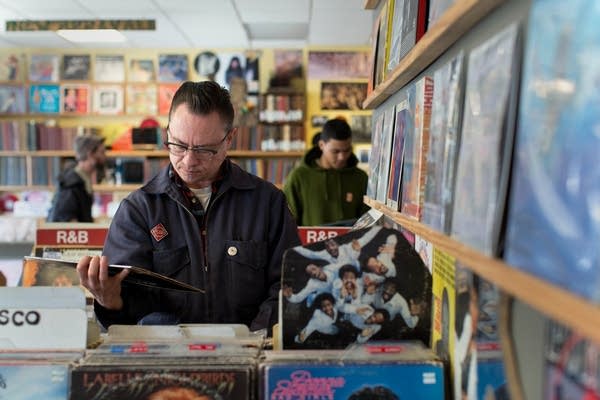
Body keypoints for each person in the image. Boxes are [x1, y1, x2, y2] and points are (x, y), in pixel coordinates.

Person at [76, 81, 300, 335]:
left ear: (229, 140)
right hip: (166, 359)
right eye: (179, 145)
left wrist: (251, 340)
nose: (189, 161)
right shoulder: (138, 210)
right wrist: (110, 302)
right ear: (168, 132)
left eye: (205, 150)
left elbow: (287, 286)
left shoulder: (268, 203)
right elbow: (125, 321)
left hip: (252, 353)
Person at [283, 118, 369, 226]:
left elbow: (368, 220)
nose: (342, 157)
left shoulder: (360, 177)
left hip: (353, 242)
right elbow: (287, 222)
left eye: (347, 150)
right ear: (321, 145)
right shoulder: (298, 177)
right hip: (310, 242)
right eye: (335, 151)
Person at [47, 133, 106, 222]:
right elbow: (67, 221)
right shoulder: (72, 184)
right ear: (90, 155)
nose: (105, 156)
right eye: (101, 152)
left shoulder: (83, 179)